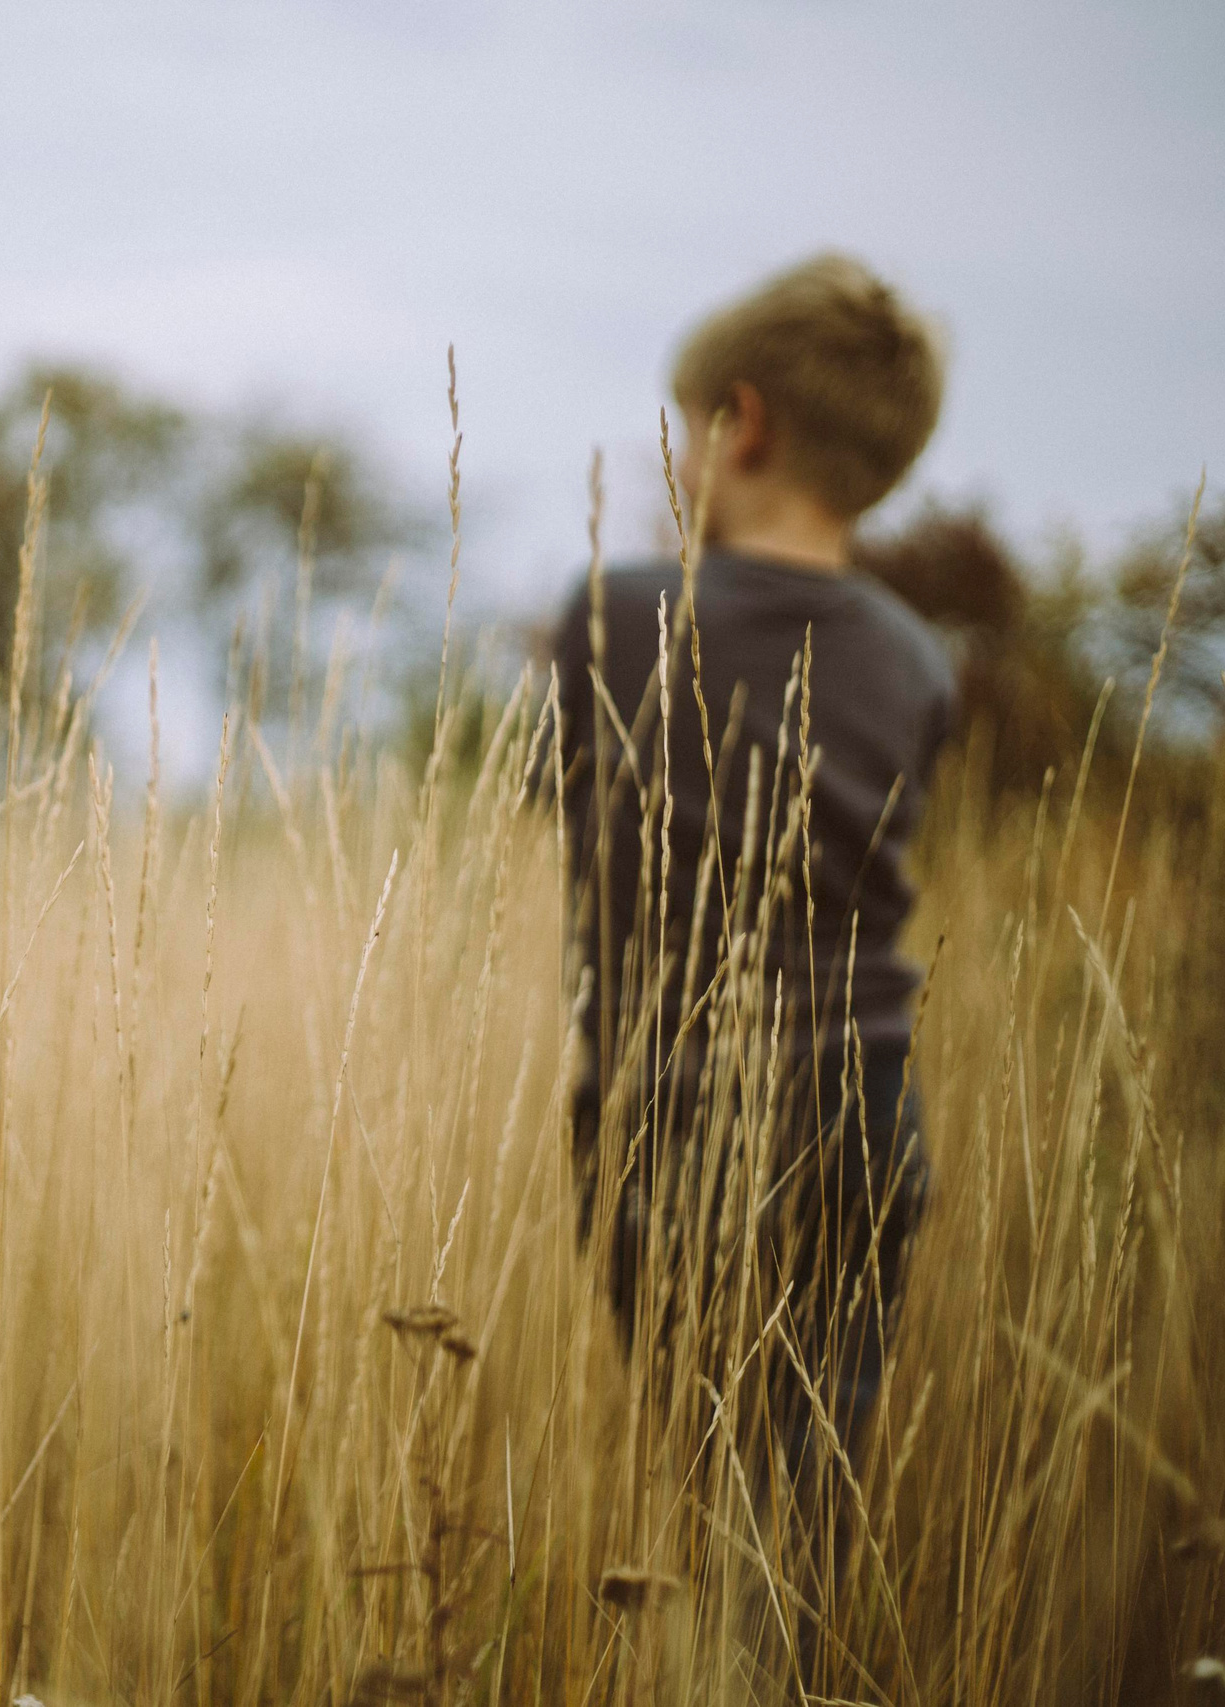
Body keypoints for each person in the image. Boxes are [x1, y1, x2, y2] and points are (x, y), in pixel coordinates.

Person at [537, 254, 951, 1588]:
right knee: (805, 1501)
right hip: (864, 1103)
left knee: (713, 1476)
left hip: (673, 1095)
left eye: (684, 427)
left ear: (745, 423)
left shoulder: (619, 614)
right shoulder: (915, 655)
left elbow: (568, 819)